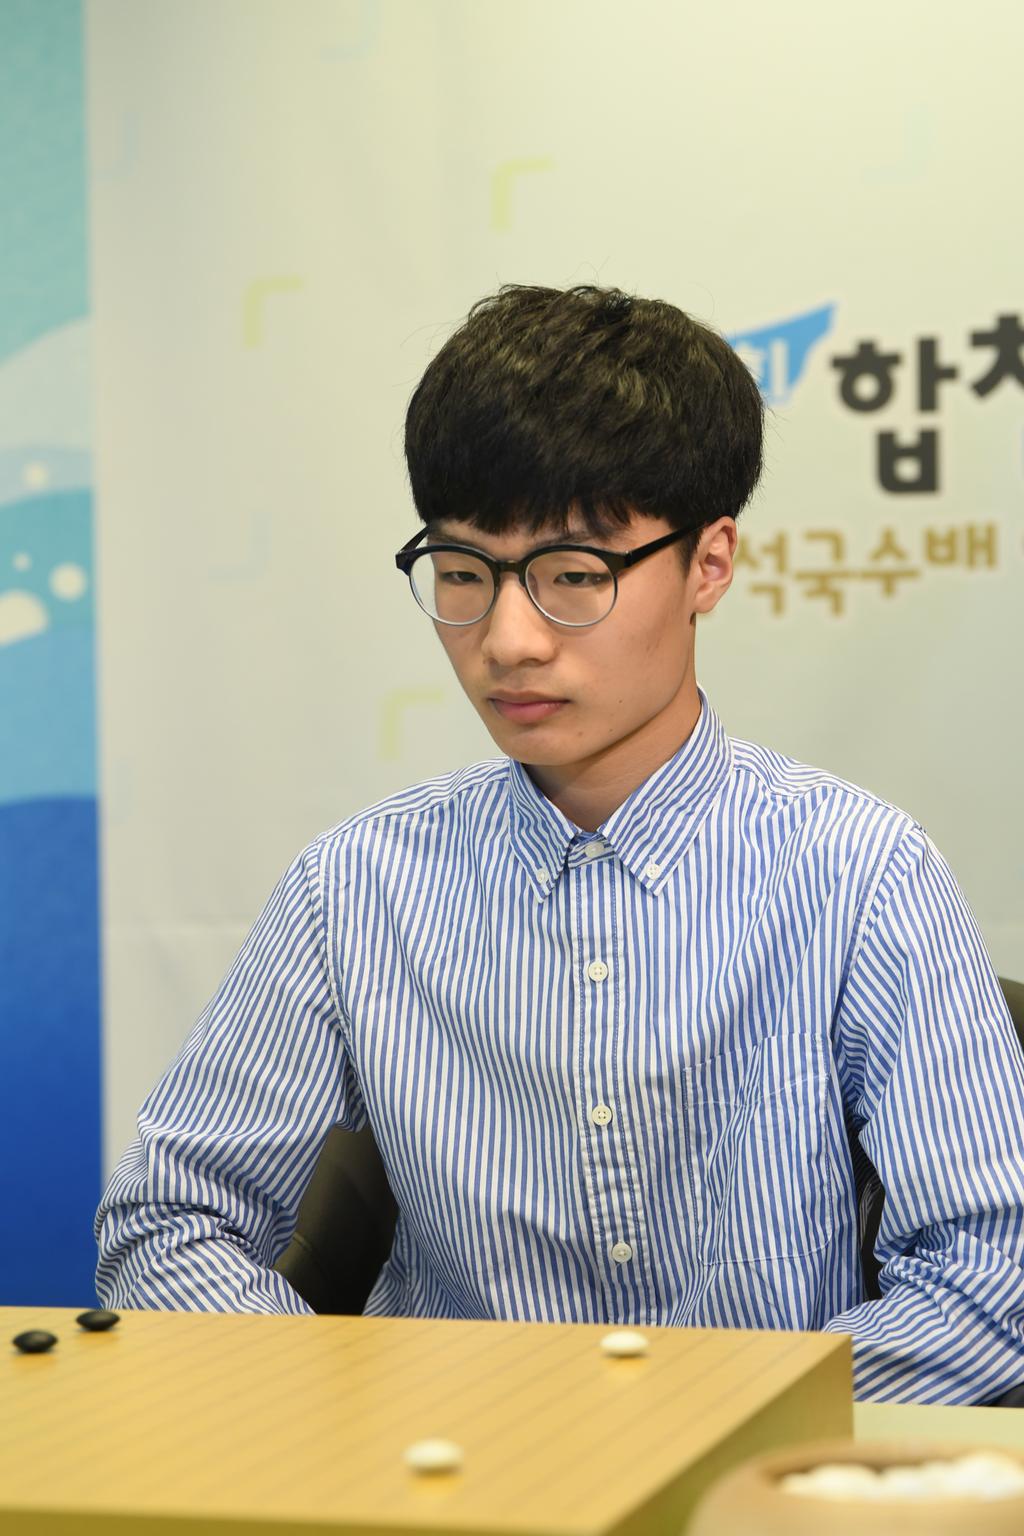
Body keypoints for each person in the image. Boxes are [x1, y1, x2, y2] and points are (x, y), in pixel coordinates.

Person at [96, 284, 1024, 1404]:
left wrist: (678, 1440)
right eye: (462, 573)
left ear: (710, 564)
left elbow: (991, 1285)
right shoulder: (357, 887)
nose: (508, 640)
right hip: (438, 1472)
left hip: (749, 1472)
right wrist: (351, 1413)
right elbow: (167, 1223)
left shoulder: (860, 872)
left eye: (575, 577)